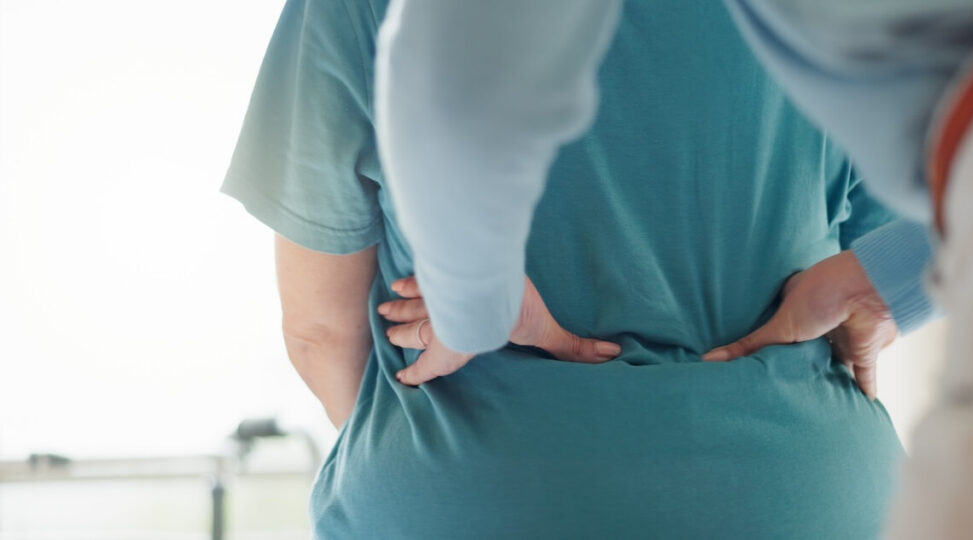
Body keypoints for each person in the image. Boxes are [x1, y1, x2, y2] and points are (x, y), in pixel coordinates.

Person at [223, 0, 931, 537]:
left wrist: (469, 311)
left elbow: (320, 331)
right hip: (802, 495)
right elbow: (959, 207)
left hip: (475, 496)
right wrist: (879, 285)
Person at [375, 1, 973, 537]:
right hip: (817, 486)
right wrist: (891, 275)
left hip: (482, 488)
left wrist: (476, 306)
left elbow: (455, 89)